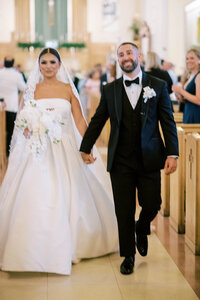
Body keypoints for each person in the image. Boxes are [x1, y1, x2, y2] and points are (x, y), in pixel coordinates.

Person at [0, 48, 118, 275]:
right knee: (36, 193)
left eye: (52, 62)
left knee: (68, 191)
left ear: (59, 63)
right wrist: (27, 129)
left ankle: (73, 242)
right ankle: (32, 249)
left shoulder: (67, 90)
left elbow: (80, 122)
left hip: (64, 148)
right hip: (37, 149)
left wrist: (87, 147)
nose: (48, 66)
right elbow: (22, 120)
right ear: (39, 65)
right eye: (43, 62)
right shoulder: (30, 90)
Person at [80, 42, 179, 275]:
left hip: (151, 157)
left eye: (129, 53)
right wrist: (86, 147)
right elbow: (98, 119)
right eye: (121, 54)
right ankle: (128, 256)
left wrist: (172, 153)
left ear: (139, 55)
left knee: (152, 203)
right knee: (123, 209)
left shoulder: (158, 85)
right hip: (121, 159)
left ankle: (142, 226)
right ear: (118, 59)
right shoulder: (110, 89)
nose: (125, 57)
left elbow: (168, 121)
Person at [0, 56, 26, 156]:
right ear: (13, 63)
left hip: (1, 105)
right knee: (10, 130)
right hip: (11, 106)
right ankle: (7, 151)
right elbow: (23, 87)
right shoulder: (17, 75)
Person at [172, 48, 200, 123]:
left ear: (199, 59)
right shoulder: (190, 76)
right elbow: (190, 98)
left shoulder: (198, 76)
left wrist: (181, 91)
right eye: (187, 59)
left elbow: (198, 100)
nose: (189, 61)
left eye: (192, 58)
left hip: (196, 113)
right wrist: (181, 98)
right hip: (188, 111)